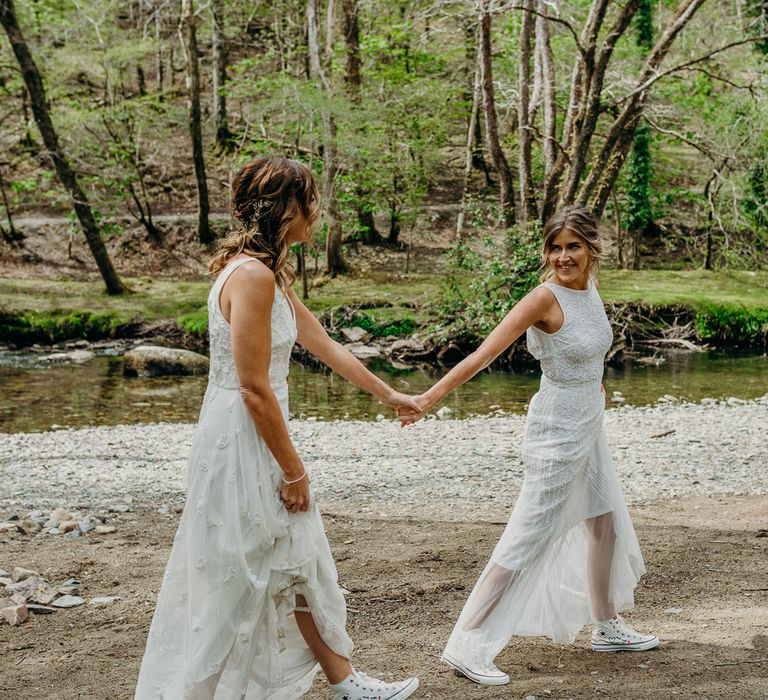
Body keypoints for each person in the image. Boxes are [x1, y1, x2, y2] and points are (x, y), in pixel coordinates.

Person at [135, 156, 420, 700]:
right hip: (244, 438)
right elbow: (252, 385)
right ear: (288, 209)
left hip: (250, 431)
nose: (318, 211)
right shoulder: (253, 276)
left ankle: (345, 684)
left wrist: (390, 394)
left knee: (291, 560)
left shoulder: (267, 273)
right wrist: (294, 470)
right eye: (311, 200)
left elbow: (325, 345)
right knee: (250, 570)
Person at [399, 206, 658, 686]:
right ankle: (467, 642)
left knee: (605, 523)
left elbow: (587, 353)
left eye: (572, 246)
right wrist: (427, 398)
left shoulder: (591, 289)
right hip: (557, 431)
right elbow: (483, 354)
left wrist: (595, 386)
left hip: (589, 423)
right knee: (528, 534)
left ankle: (606, 627)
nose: (563, 257)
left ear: (591, 249)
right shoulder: (542, 299)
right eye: (554, 248)